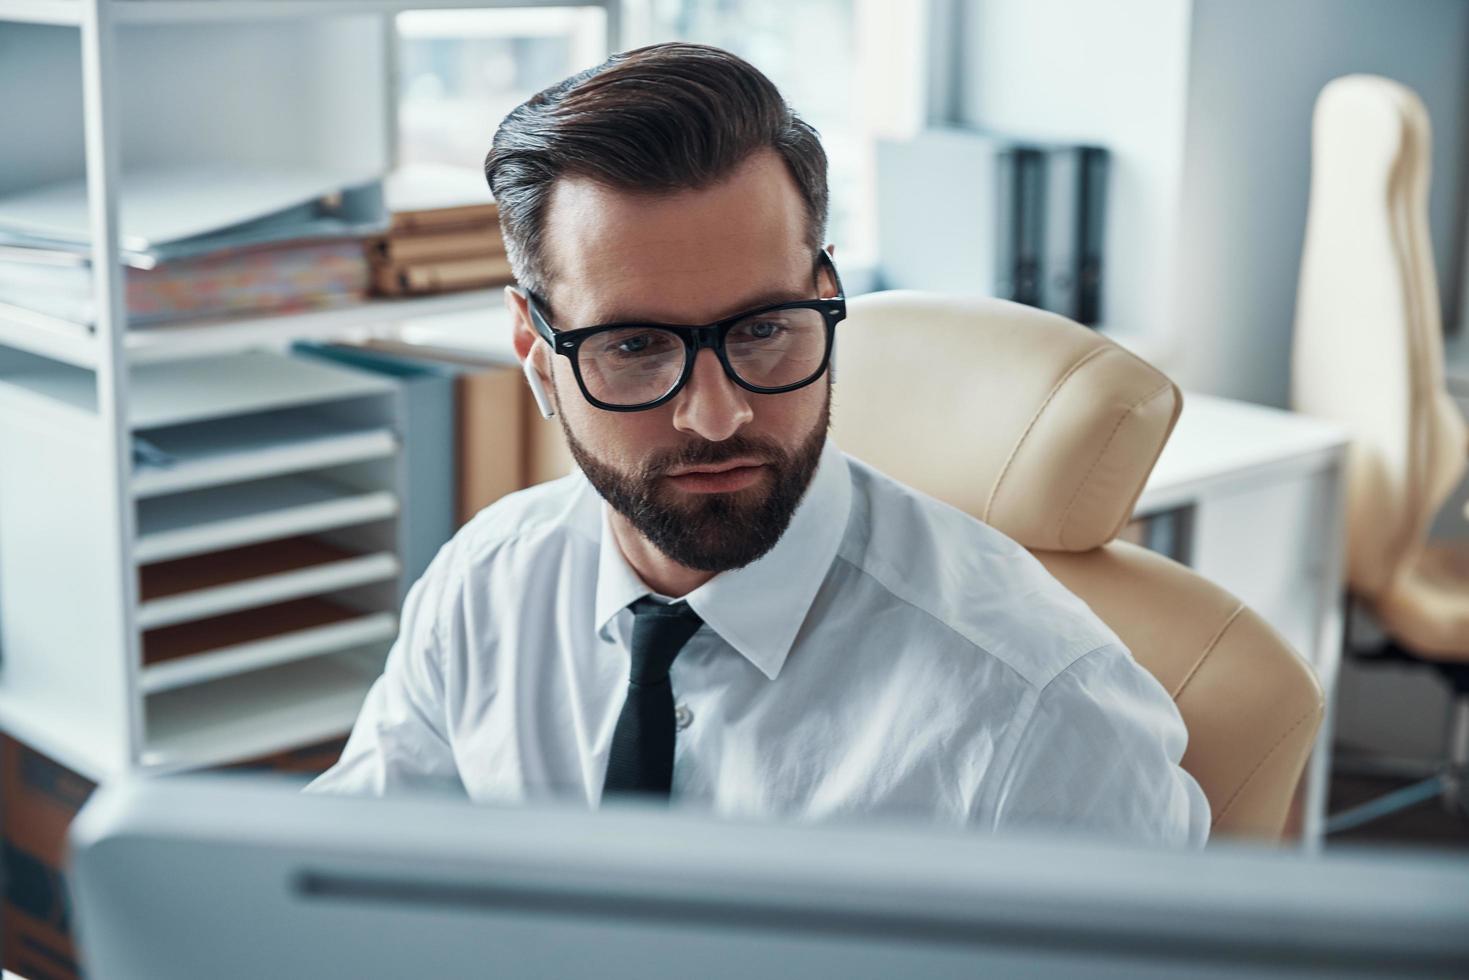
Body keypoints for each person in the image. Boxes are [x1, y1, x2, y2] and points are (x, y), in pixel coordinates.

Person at [306, 42, 1209, 847]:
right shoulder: (487, 586)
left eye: (763, 329)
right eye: (633, 346)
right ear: (536, 356)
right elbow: (334, 883)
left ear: (824, 292)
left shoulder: (1039, 713)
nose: (715, 414)